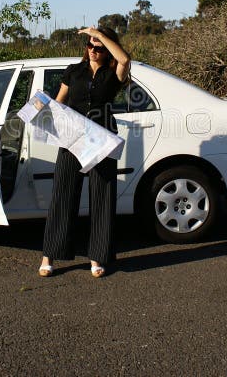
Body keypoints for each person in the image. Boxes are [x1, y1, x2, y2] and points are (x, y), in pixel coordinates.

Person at [39, 26, 131, 278]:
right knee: (63, 194)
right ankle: (50, 255)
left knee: (102, 197)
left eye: (98, 47)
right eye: (90, 45)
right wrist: (41, 109)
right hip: (73, 139)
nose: (93, 50)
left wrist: (101, 35)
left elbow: (124, 59)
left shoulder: (114, 73)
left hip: (102, 141)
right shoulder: (74, 71)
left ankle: (97, 257)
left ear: (107, 48)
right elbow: (59, 101)